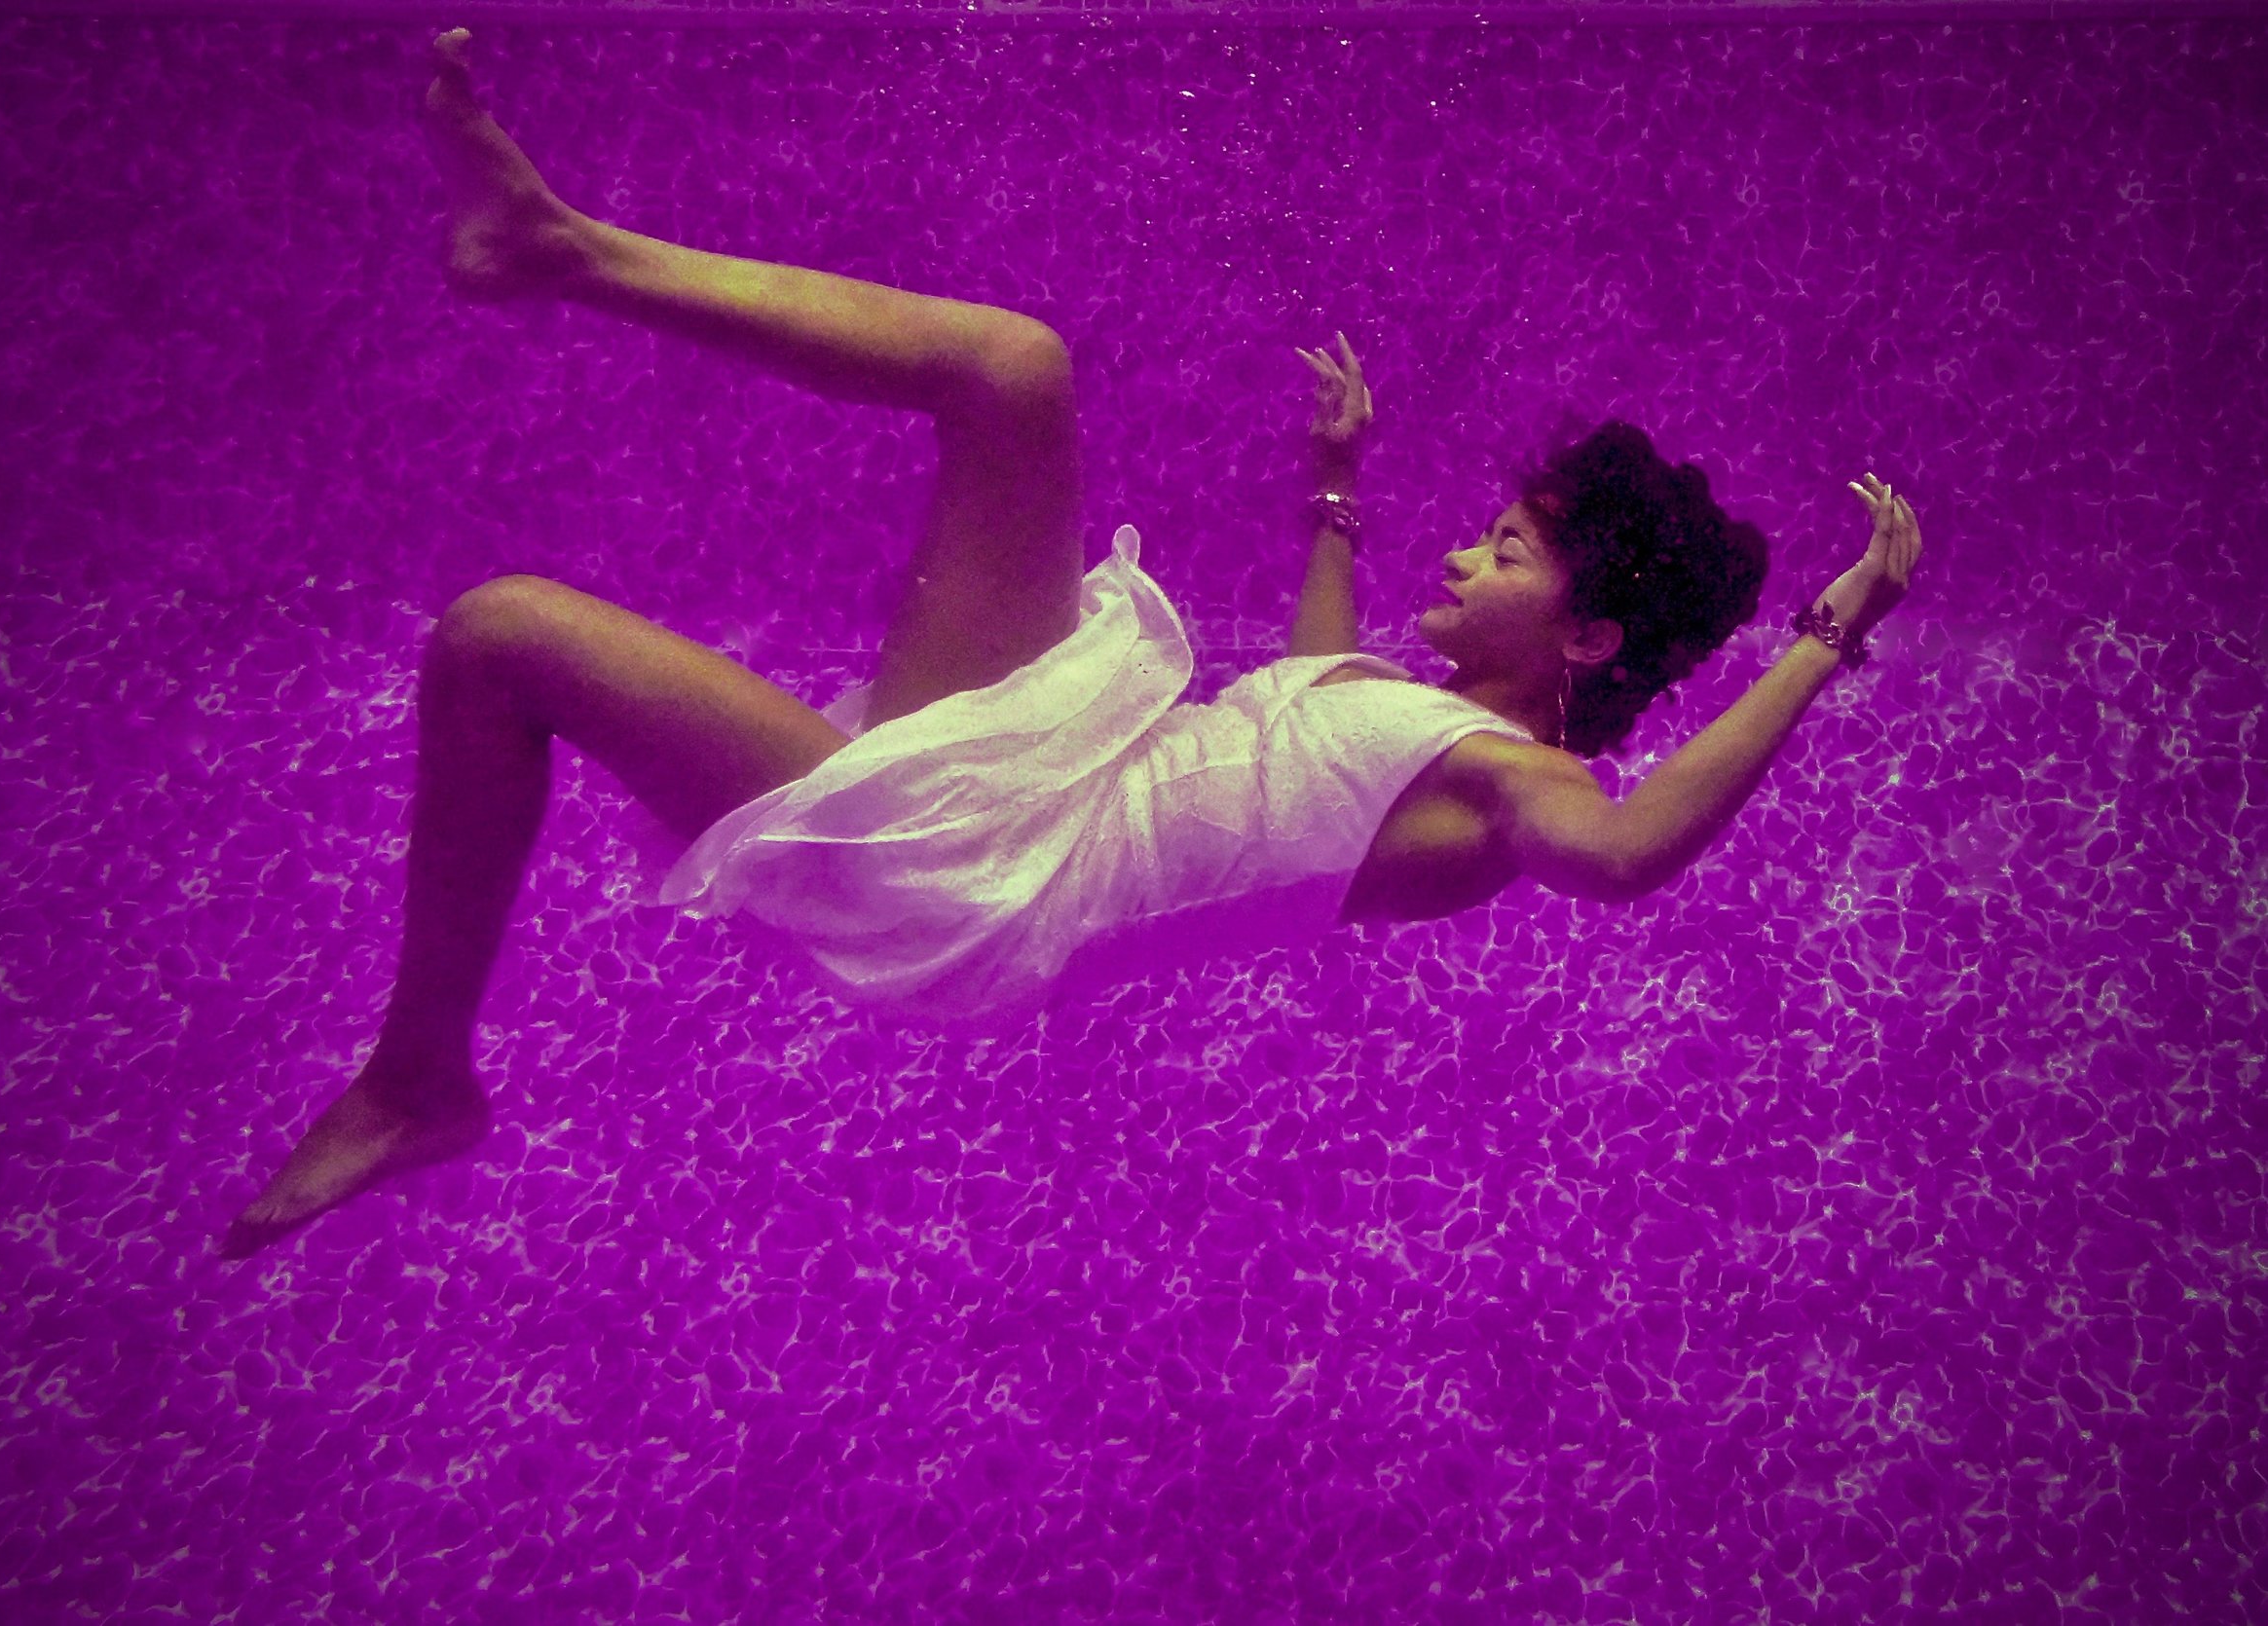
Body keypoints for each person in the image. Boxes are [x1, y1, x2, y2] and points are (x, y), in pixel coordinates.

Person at [220, 28, 1924, 1259]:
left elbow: (1625, 855)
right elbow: (1310, 702)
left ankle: (417, 1077)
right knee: (1014, 372)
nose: (1466, 553)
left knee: (499, 634)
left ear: (1590, 627)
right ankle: (564, 247)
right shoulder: (1427, 721)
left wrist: (1824, 638)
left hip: (993, 873)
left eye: (1508, 549)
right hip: (1040, 755)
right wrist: (1336, 489)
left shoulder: (1517, 789)